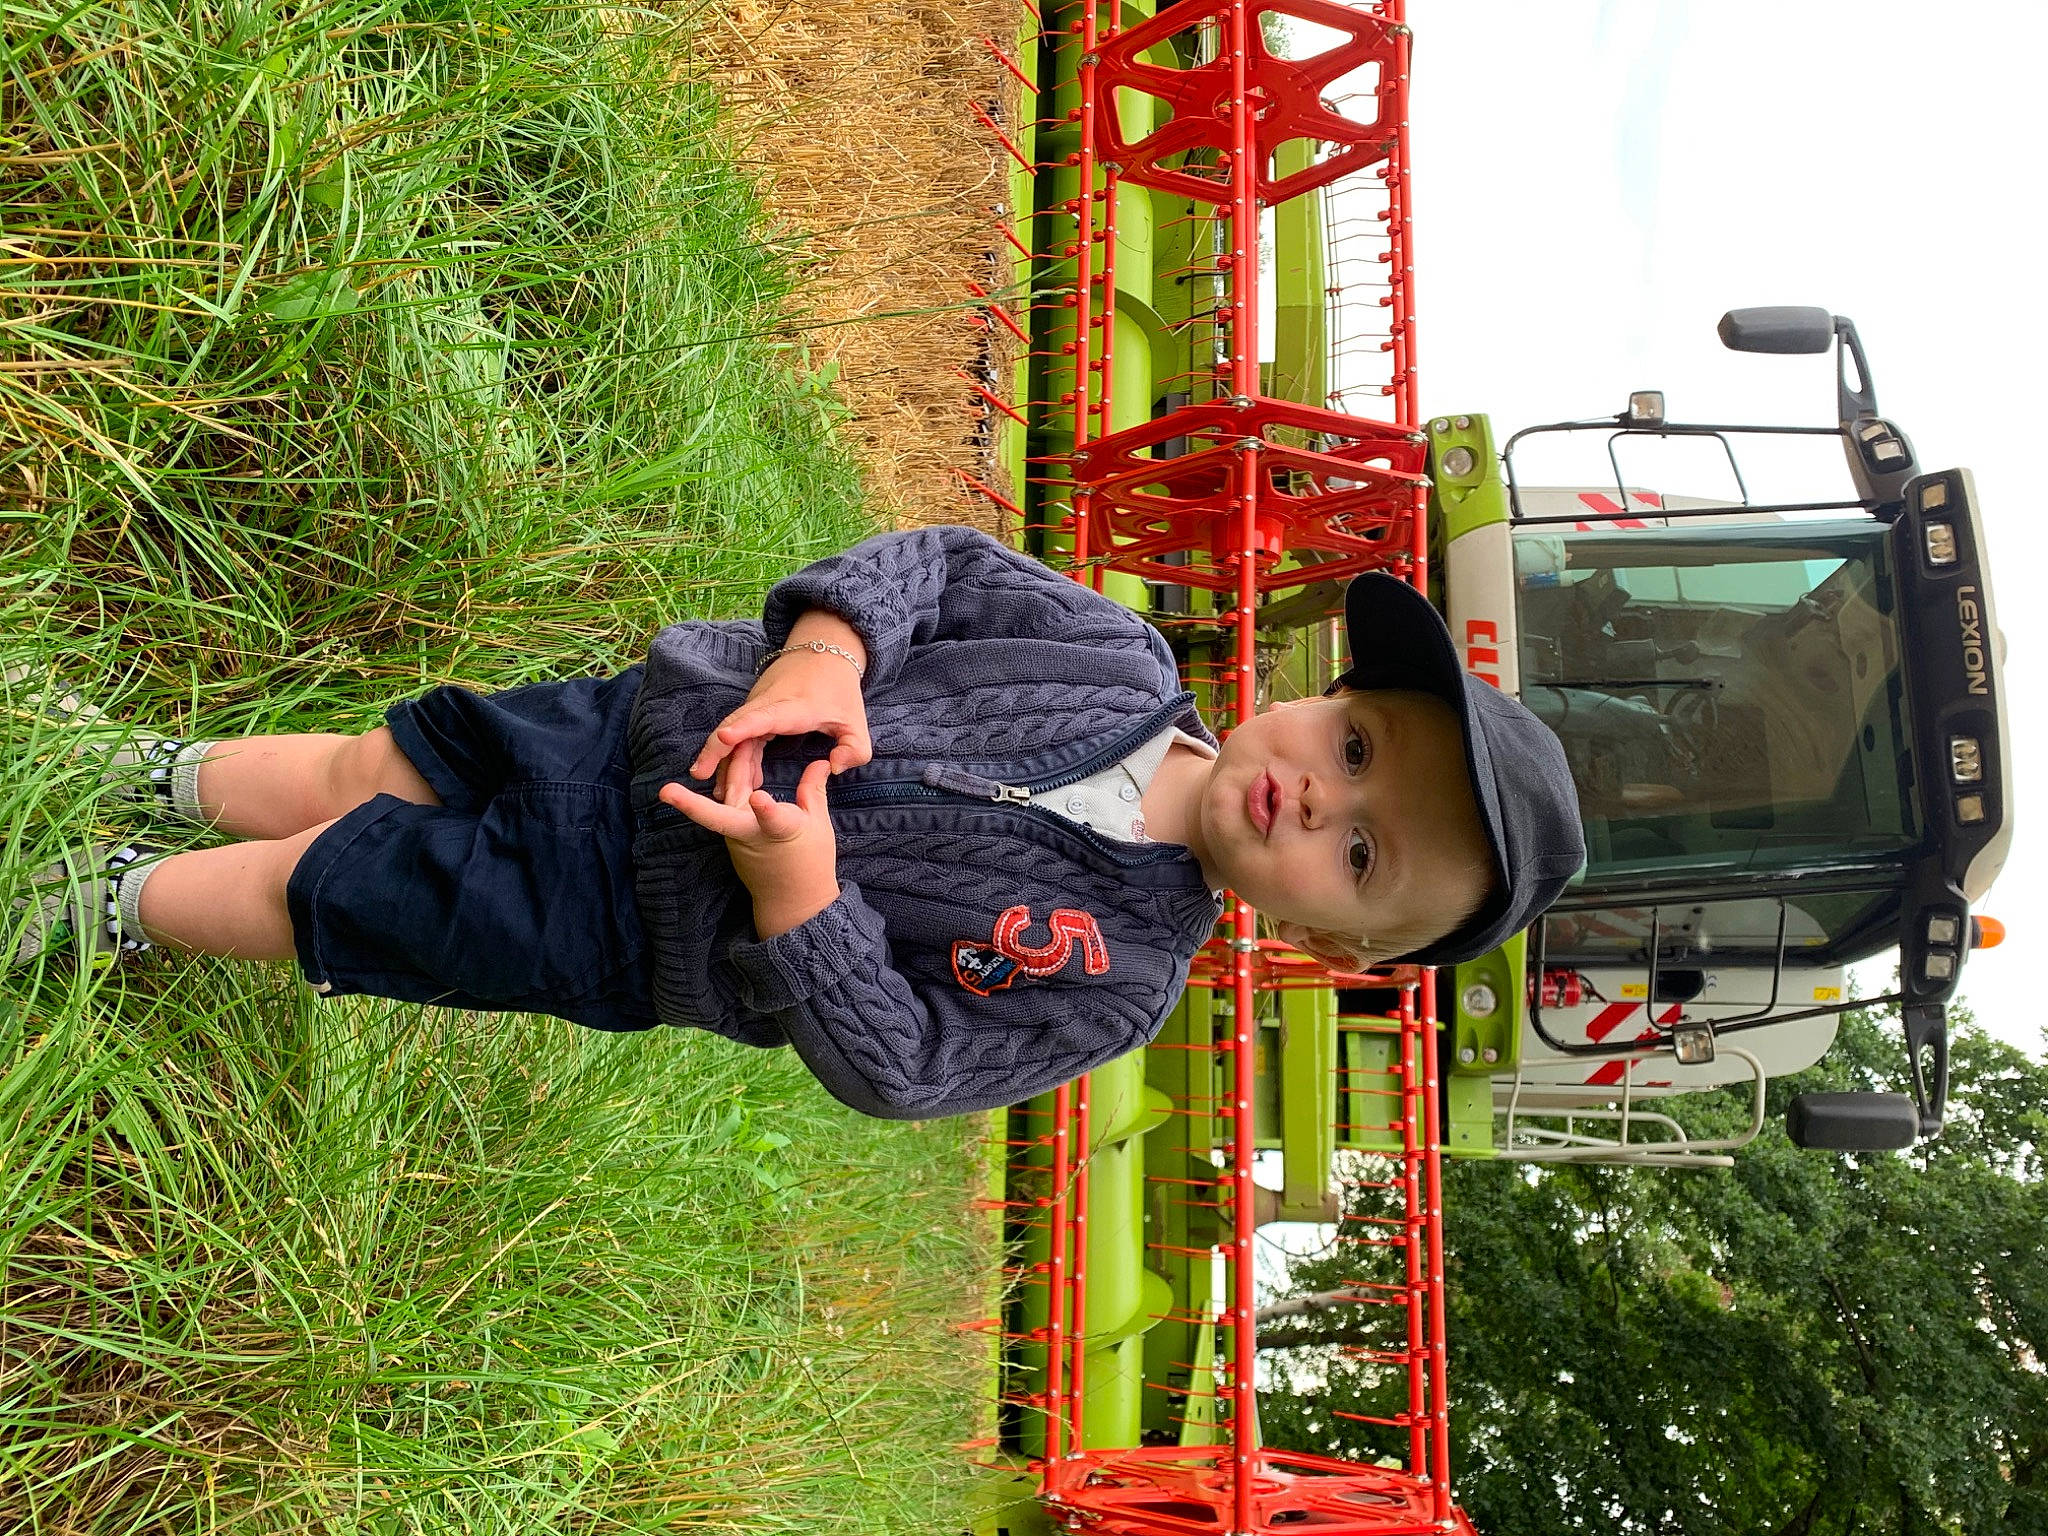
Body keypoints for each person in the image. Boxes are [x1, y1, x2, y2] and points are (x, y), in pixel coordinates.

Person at [8, 526, 1584, 1120]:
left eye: (1359, 851)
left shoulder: (1110, 988)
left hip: (630, 930)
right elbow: (937, 571)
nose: (1321, 792)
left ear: (1328, 937)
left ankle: (98, 902)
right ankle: (147, 770)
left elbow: (899, 1066)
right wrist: (824, 652)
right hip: (641, 728)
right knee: (376, 767)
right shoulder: (1113, 650)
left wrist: (805, 898)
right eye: (1361, 744)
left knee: (335, 890)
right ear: (1324, 695)